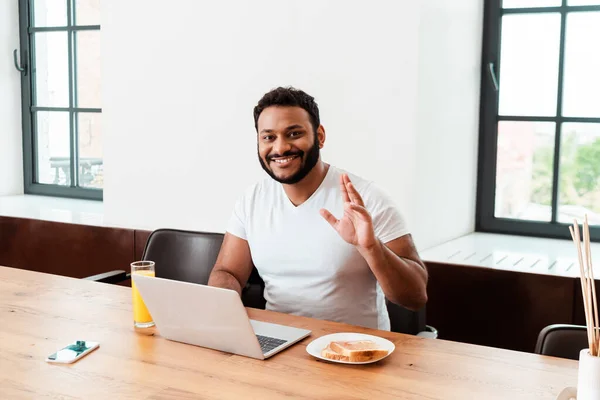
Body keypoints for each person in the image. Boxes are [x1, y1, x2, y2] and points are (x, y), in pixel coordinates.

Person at [207, 87, 427, 330]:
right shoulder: (252, 200)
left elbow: (415, 297)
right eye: (268, 137)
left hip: (354, 351)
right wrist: (222, 311)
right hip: (277, 345)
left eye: (293, 134)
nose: (280, 148)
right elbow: (228, 272)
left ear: (319, 136)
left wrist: (371, 247)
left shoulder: (367, 199)